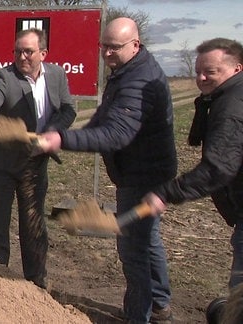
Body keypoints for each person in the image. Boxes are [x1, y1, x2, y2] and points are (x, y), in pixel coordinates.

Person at [41, 17, 177, 323]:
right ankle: (160, 303)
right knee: (149, 239)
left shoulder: (138, 81)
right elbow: (104, 118)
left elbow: (117, 134)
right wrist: (76, 136)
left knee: (133, 250)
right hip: (141, 170)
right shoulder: (126, 70)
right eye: (104, 46)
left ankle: (137, 316)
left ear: (135, 45)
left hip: (144, 176)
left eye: (114, 48)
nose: (106, 54)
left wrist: (62, 138)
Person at [0, 28, 76, 289]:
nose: (21, 56)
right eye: (17, 51)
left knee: (33, 223)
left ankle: (36, 282)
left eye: (28, 51)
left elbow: (68, 109)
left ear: (43, 53)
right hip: (2, 164)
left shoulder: (57, 76)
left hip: (35, 163)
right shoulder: (6, 76)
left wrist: (51, 132)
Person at [143, 38, 243, 315]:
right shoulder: (222, 98)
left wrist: (167, 192)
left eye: (210, 72)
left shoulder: (232, 108)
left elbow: (218, 168)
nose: (201, 77)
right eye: (198, 71)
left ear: (237, 68)